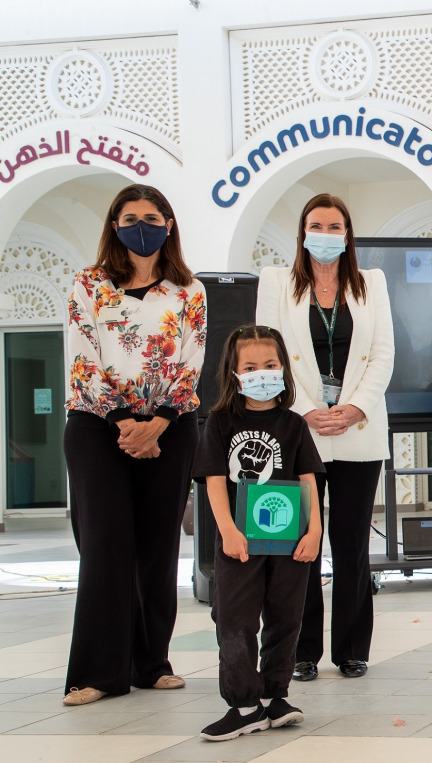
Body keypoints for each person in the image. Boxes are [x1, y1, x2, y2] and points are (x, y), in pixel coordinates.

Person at [62, 184, 206, 706]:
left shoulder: (188, 289)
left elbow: (191, 362)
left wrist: (159, 423)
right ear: (114, 225)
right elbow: (84, 358)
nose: (140, 224)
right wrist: (126, 423)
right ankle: (94, 673)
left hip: (170, 426)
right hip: (98, 426)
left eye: (151, 216)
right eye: (130, 216)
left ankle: (152, 663)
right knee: (105, 547)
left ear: (168, 225)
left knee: (156, 548)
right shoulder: (89, 284)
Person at [256, 194, 394, 680]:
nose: (326, 233)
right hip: (299, 430)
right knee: (300, 544)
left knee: (351, 542)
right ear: (302, 233)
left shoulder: (370, 283)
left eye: (335, 226)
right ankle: (301, 651)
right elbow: (263, 353)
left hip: (359, 430)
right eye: (317, 225)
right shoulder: (276, 282)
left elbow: (383, 354)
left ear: (348, 234)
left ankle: (352, 648)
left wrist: (353, 408)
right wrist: (306, 411)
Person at [192, 326, 324, 741]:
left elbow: (308, 482)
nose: (261, 373)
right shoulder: (219, 423)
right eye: (250, 367)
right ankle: (244, 704)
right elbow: (214, 481)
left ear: (283, 368)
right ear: (234, 373)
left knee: (286, 618)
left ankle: (274, 696)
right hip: (239, 544)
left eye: (269, 365)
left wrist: (315, 532)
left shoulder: (294, 425)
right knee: (235, 620)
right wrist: (228, 531)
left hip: (290, 542)